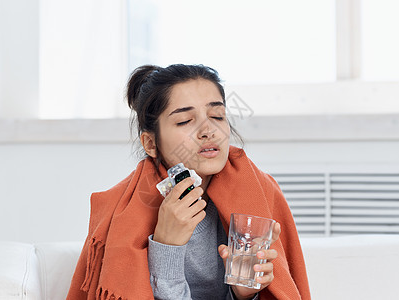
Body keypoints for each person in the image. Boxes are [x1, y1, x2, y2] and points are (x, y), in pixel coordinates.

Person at [67, 64, 311, 300]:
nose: (208, 130)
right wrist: (167, 246)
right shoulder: (123, 214)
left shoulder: (261, 192)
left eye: (217, 115)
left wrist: (243, 294)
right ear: (151, 143)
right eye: (185, 121)